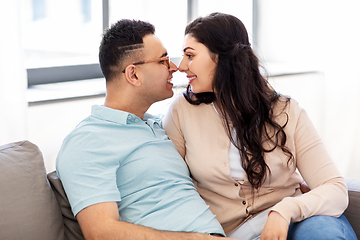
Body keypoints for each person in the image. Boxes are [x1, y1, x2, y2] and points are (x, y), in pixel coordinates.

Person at [163, 12, 357, 240]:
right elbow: (172, 188)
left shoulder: (286, 110)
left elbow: (334, 188)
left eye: (190, 55)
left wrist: (284, 210)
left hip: (296, 222)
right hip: (231, 233)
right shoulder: (181, 111)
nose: (181, 65)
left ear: (221, 57)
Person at [56, 19, 232, 240]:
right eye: (162, 61)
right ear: (133, 75)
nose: (175, 67)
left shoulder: (162, 124)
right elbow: (100, 232)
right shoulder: (87, 140)